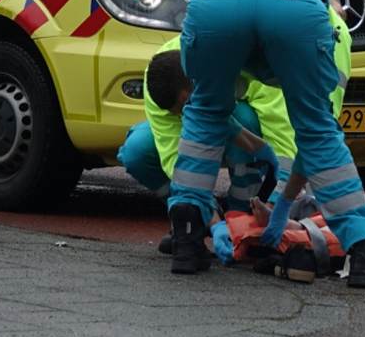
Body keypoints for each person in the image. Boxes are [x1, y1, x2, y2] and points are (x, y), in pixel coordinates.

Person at [168, 0, 365, 287]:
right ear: (333, 15)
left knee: (205, 113)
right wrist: (284, 204)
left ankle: (186, 235)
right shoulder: (330, 32)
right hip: (291, 5)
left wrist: (282, 206)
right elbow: (315, 139)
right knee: (318, 130)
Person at [119, 43, 297, 212]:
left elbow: (280, 131)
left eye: (190, 105)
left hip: (238, 125)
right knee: (137, 150)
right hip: (214, 122)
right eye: (182, 112)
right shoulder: (160, 79)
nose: (191, 116)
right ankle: (185, 210)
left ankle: (243, 210)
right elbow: (173, 156)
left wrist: (278, 199)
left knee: (243, 116)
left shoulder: (254, 65)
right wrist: (202, 208)